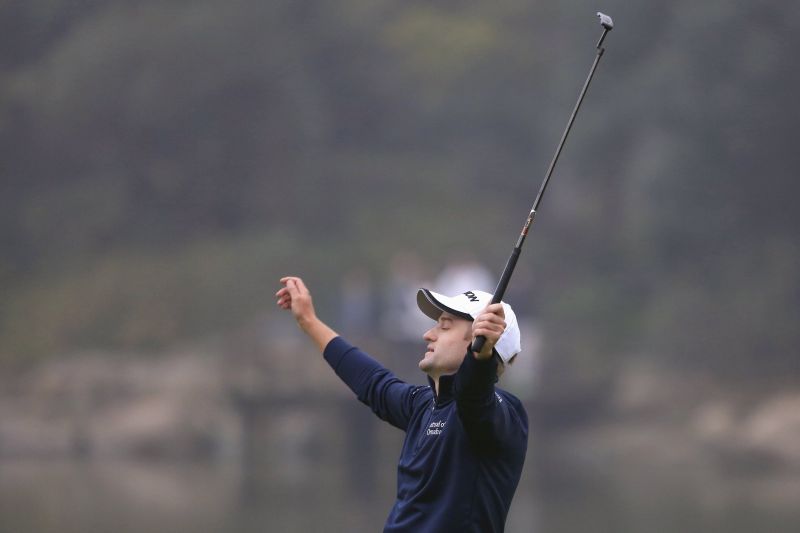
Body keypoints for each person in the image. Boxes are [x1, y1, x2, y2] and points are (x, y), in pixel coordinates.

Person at [276, 276, 528, 533]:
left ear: (479, 342)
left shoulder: (502, 412)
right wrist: (308, 321)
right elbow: (372, 381)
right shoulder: (422, 405)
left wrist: (480, 360)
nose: (428, 334)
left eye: (444, 326)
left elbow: (475, 399)